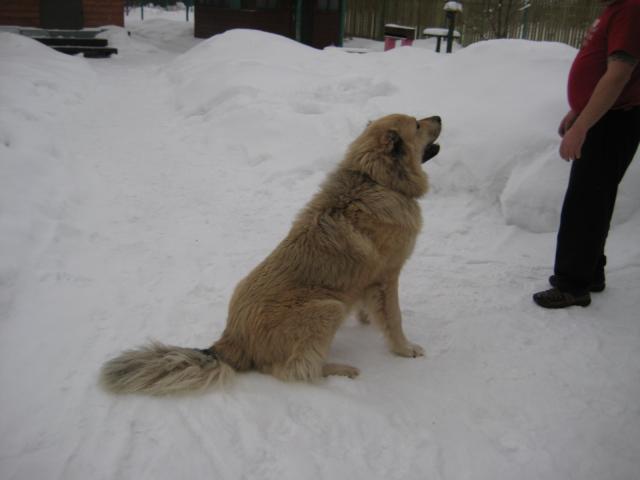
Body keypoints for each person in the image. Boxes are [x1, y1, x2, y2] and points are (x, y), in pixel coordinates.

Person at [533, 0, 640, 309]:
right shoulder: (618, 8)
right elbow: (600, 69)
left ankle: (572, 285)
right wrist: (578, 110)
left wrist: (583, 126)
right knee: (595, 198)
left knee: (586, 201)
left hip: (613, 120)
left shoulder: (631, 8)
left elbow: (619, 73)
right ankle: (589, 272)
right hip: (606, 118)